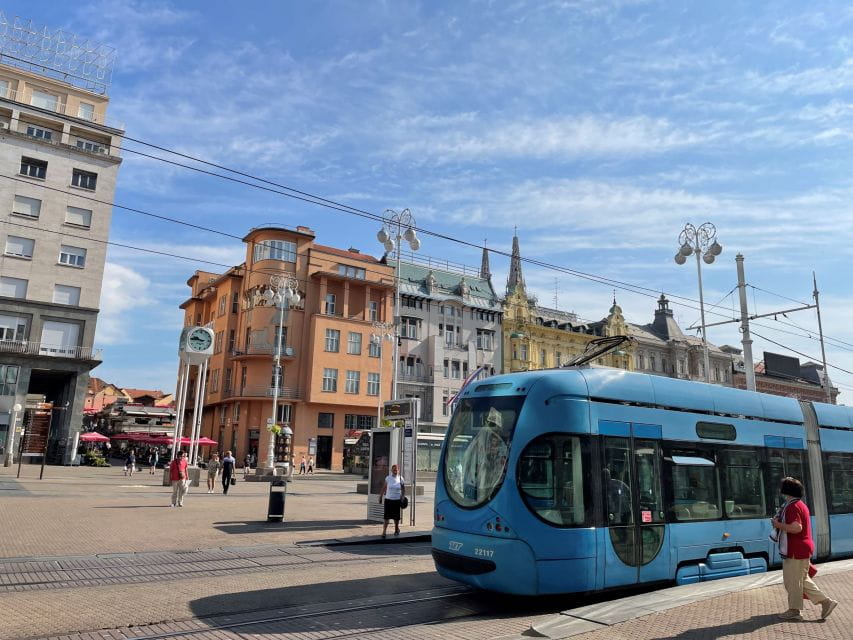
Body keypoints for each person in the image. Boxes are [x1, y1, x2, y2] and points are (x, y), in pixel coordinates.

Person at [771, 477, 838, 621]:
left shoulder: (792, 507)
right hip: (802, 548)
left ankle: (794, 611)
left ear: (786, 491)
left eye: (781, 487)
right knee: (801, 580)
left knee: (792, 581)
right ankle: (826, 603)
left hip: (795, 550)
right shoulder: (800, 504)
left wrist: (778, 525)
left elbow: (796, 528)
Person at [380, 464, 406, 539]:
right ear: (391, 470)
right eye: (394, 470)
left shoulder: (401, 479)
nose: (395, 471)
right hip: (388, 500)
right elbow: (384, 488)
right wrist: (380, 496)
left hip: (397, 500)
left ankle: (396, 529)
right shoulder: (388, 478)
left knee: (396, 517)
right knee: (386, 517)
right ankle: (384, 532)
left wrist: (403, 497)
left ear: (399, 470)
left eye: (396, 470)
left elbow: (403, 489)